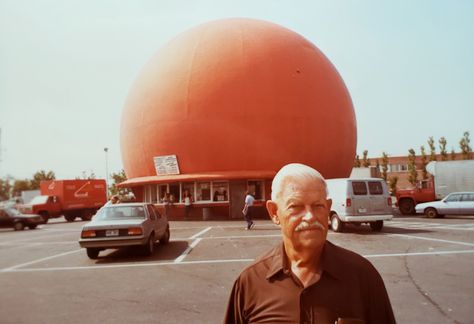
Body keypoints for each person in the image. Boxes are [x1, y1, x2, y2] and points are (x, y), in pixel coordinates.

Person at [223, 163, 396, 324]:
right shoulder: (250, 283)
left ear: (328, 208)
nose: (310, 216)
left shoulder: (362, 277)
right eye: (296, 206)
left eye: (318, 206)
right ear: (274, 212)